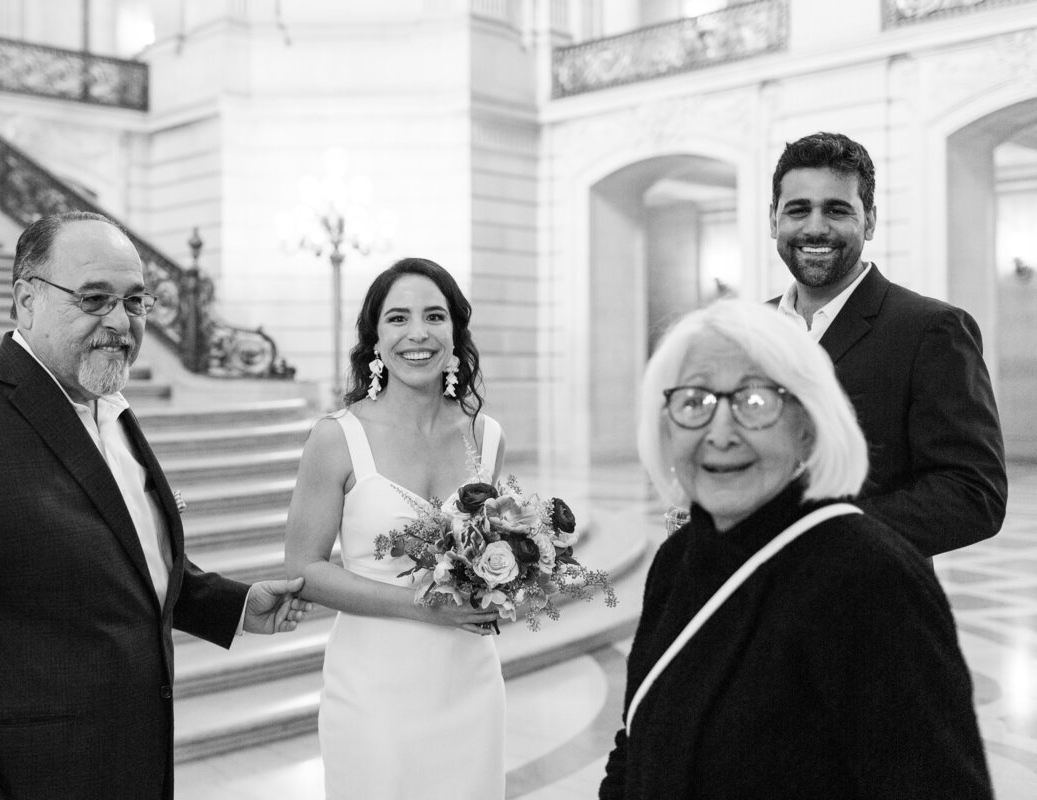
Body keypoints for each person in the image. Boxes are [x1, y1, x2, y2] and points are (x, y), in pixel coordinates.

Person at [0, 211, 311, 800]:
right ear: (25, 301)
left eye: (135, 301)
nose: (120, 322)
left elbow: (119, 554)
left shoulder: (105, 405)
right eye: (94, 299)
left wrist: (232, 603)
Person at [599, 300, 991, 799]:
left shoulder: (867, 577)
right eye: (694, 401)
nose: (720, 434)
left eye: (756, 402)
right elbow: (636, 744)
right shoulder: (679, 559)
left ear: (808, 425)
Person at [285, 257, 507, 799]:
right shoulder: (337, 437)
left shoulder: (487, 436)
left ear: (455, 332)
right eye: (398, 318)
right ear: (376, 338)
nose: (417, 334)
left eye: (434, 316)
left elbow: (490, 555)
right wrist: (425, 606)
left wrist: (511, 582)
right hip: (373, 688)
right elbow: (304, 571)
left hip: (469, 681)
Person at [769, 131, 1006, 556]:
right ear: (774, 220)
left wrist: (819, 535)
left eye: (837, 210)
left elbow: (974, 494)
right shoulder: (751, 328)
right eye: (798, 210)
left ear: (871, 220)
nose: (815, 227)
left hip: (870, 603)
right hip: (753, 603)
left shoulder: (932, 329)